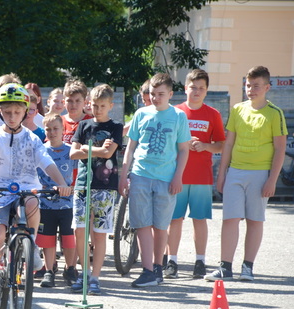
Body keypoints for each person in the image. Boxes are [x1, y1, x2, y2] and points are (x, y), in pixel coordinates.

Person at [0, 83, 72, 309]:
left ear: (25, 111)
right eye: (7, 112)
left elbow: (47, 163)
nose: (12, 116)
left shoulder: (32, 139)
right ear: (0, 112)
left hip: (25, 187)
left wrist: (62, 184)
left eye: (17, 112)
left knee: (33, 202)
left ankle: (32, 247)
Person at [205, 65, 287, 282]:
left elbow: (280, 148)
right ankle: (225, 267)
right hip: (236, 172)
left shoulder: (275, 114)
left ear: (267, 87)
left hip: (260, 174)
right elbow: (229, 143)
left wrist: (272, 179)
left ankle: (248, 267)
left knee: (254, 220)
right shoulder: (237, 110)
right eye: (248, 85)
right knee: (230, 219)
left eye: (256, 86)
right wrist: (222, 174)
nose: (251, 89)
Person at [118, 73, 190, 288]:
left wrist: (178, 177)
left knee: (160, 225)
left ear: (170, 94)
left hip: (166, 178)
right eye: (152, 93)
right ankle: (148, 270)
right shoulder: (141, 114)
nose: (156, 98)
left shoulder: (178, 117)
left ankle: (158, 267)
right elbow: (130, 147)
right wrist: (124, 176)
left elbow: (184, 150)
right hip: (140, 174)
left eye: (160, 94)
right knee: (142, 223)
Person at [164, 69, 225, 279]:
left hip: (201, 177)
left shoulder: (213, 115)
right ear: (185, 88)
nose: (196, 91)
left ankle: (200, 261)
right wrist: (183, 144)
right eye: (193, 87)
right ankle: (172, 260)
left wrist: (205, 146)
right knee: (175, 219)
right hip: (177, 176)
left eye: (201, 88)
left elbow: (220, 145)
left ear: (206, 91)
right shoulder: (175, 112)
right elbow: (167, 142)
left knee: (199, 219)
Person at [69, 84, 123, 294]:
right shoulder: (83, 127)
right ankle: (84, 272)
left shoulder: (116, 127)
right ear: (89, 104)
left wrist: (85, 148)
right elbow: (73, 154)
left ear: (110, 105)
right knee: (79, 231)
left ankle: (95, 277)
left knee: (99, 234)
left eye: (102, 105)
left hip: (105, 187)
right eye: (94, 105)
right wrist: (98, 149)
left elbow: (109, 154)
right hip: (82, 185)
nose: (98, 109)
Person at [35, 114, 76, 288]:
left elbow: (77, 176)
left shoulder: (71, 151)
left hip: (68, 203)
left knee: (68, 238)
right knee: (47, 239)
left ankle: (70, 269)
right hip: (46, 203)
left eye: (55, 129)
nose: (52, 132)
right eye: (48, 129)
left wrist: (71, 188)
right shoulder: (41, 150)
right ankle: (50, 271)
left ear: (63, 130)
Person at [62, 79, 92, 145]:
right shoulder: (58, 121)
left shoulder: (91, 122)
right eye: (70, 101)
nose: (73, 105)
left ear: (85, 102)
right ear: (64, 102)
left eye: (78, 101)